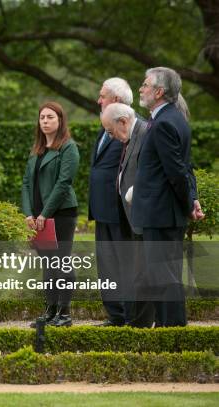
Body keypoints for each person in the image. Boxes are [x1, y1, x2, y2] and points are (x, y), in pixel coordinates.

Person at [131, 67, 196, 327]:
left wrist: (188, 202)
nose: (140, 89)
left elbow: (177, 172)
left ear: (159, 92)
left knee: (164, 277)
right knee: (162, 276)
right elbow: (183, 167)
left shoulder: (165, 123)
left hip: (160, 214)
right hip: (163, 213)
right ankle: (169, 333)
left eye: (145, 85)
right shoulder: (172, 119)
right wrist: (191, 199)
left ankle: (174, 337)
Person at [22, 101, 79, 328]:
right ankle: (50, 310)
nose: (45, 121)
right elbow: (26, 183)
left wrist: (45, 214)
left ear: (60, 120)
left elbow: (63, 183)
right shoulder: (37, 149)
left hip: (61, 213)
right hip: (38, 215)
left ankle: (64, 313)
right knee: (48, 264)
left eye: (50, 117)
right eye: (42, 117)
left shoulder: (68, 147)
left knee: (61, 262)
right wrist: (28, 213)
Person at [88, 77, 135, 327]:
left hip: (121, 210)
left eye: (102, 95)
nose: (99, 100)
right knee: (106, 265)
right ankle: (115, 314)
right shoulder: (104, 127)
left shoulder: (132, 127)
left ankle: (130, 314)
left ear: (116, 99)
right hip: (102, 208)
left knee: (124, 263)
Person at [100, 102, 151, 327]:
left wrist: (134, 191)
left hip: (145, 215)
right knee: (137, 273)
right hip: (132, 217)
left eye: (111, 131)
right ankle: (138, 323)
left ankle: (146, 323)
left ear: (123, 121)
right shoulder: (131, 136)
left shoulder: (145, 133)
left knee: (145, 274)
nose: (110, 137)